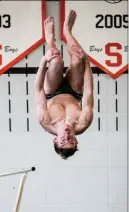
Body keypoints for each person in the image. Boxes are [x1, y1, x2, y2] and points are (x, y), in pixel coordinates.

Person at [35, 9, 94, 159]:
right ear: (76, 140)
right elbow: (88, 91)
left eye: (63, 140)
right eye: (71, 140)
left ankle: (50, 40)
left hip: (52, 92)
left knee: (55, 61)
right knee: (78, 59)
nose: (67, 135)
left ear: (55, 139)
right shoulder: (83, 121)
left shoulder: (45, 121)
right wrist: (87, 62)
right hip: (74, 92)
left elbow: (38, 89)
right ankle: (67, 32)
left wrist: (43, 61)